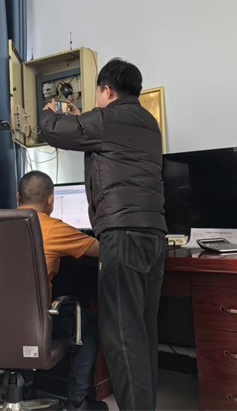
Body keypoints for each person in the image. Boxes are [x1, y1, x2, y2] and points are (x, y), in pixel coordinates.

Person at [39, 59, 167, 411]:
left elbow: (55, 131)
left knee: (122, 337)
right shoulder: (148, 123)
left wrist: (49, 112)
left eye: (97, 92)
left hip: (122, 235)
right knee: (143, 333)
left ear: (107, 90)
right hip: (155, 236)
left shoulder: (107, 119)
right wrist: (83, 117)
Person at [17, 171, 107, 411]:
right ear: (51, 201)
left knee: (20, 317)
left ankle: (23, 392)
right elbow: (101, 249)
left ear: (17, 197)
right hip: (34, 323)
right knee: (87, 322)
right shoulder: (51, 227)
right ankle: (77, 402)